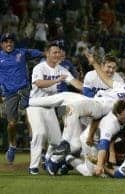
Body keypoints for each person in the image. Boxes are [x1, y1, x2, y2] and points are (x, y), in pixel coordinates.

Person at [26, 41, 82, 175]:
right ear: (47, 54)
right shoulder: (40, 67)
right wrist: (57, 80)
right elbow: (39, 83)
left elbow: (75, 83)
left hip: (49, 107)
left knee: (57, 141)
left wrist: (89, 89)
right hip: (35, 104)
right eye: (54, 52)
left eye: (59, 52)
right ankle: (33, 167)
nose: (58, 54)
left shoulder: (61, 69)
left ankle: (48, 160)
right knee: (39, 133)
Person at [0, 32, 43, 164]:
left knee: (31, 119)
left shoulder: (22, 52)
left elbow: (42, 54)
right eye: (6, 42)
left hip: (25, 90)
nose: (9, 44)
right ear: (2, 44)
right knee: (12, 124)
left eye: (11, 41)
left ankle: (36, 148)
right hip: (9, 93)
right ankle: (12, 146)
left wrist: (52, 54)